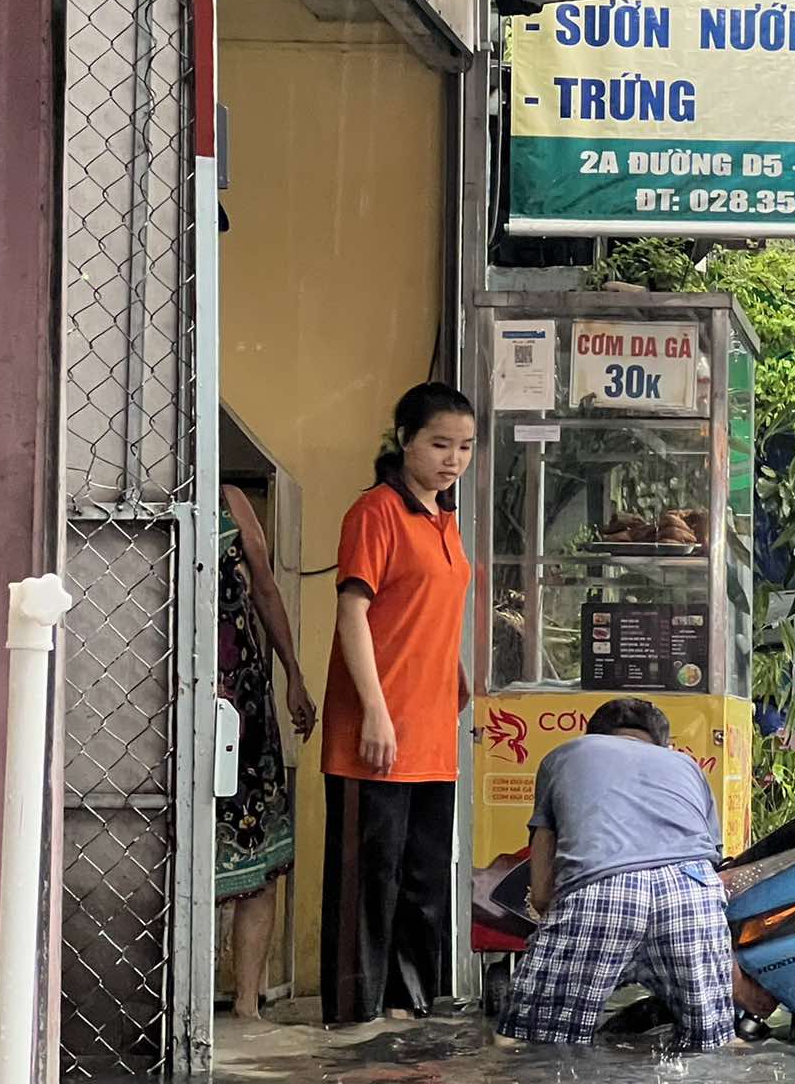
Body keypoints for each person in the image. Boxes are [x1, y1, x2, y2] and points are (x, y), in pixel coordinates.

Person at [319, 382, 476, 1025]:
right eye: (440, 444)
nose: (453, 459)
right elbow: (353, 612)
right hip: (374, 732)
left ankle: (409, 1008)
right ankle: (355, 1016)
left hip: (434, 729)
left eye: (464, 447)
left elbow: (427, 613)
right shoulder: (375, 512)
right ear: (405, 439)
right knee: (367, 883)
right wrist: (377, 710)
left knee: (421, 879)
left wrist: (456, 677)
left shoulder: (448, 520)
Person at [498, 698, 734, 1047]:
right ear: (662, 743)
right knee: (714, 1046)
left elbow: (543, 864)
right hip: (691, 891)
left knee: (525, 1045)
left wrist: (549, 914)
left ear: (594, 735)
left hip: (602, 889)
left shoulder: (567, 755)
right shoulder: (686, 766)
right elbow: (712, 860)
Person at [217, 485, 317, 1019]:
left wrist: (293, 676)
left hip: (243, 701)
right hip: (161, 700)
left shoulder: (231, 501)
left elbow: (265, 591)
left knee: (260, 853)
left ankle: (248, 1004)